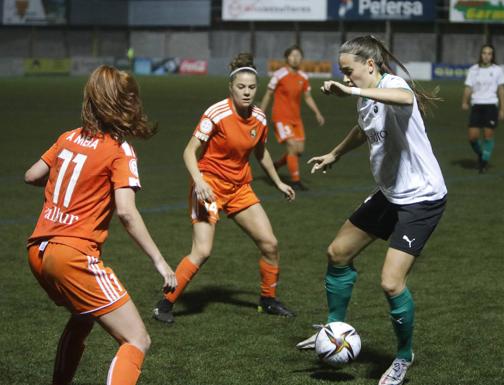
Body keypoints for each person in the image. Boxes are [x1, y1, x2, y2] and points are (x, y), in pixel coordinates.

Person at [297, 35, 447, 385]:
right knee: (337, 253)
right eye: (342, 72)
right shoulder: (366, 93)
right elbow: (364, 128)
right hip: (390, 193)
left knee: (391, 283)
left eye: (349, 71)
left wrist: (352, 91)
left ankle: (403, 356)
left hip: (421, 199)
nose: (346, 77)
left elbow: (404, 97)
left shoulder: (391, 85)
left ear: (370, 65)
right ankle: (334, 328)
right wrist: (335, 153)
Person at [25, 65, 177, 385]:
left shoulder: (67, 137)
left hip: (38, 252)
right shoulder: (119, 150)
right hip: (72, 256)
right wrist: (160, 262)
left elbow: (32, 175)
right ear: (122, 104)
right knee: (137, 340)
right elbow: (126, 213)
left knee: (83, 316)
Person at [153, 53, 297, 324]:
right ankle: (165, 303)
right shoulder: (216, 113)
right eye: (241, 87)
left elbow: (261, 152)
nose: (246, 92)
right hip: (209, 186)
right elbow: (189, 152)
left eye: (252, 87)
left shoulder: (259, 118)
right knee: (203, 251)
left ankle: (268, 300)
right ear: (231, 87)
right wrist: (199, 182)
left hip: (240, 188)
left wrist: (278, 182)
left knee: (270, 244)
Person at [259, 44, 325, 191]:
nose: (295, 58)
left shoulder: (303, 77)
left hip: (296, 119)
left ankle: (275, 165)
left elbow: (307, 97)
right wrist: (261, 113)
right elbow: (268, 94)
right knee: (292, 146)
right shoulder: (279, 75)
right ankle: (295, 180)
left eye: (298, 56)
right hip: (281, 118)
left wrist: (317, 112)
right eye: (292, 55)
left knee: (298, 151)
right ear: (287, 58)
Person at [461, 44, 504, 173]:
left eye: (489, 54)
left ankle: (483, 162)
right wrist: (464, 101)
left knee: (488, 135)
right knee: (472, 137)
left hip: (491, 105)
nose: (486, 56)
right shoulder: (473, 70)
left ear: (492, 56)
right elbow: (468, 87)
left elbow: (501, 90)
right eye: (484, 53)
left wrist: (503, 109)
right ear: (480, 55)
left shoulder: (497, 70)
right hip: (476, 105)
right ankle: (482, 154)